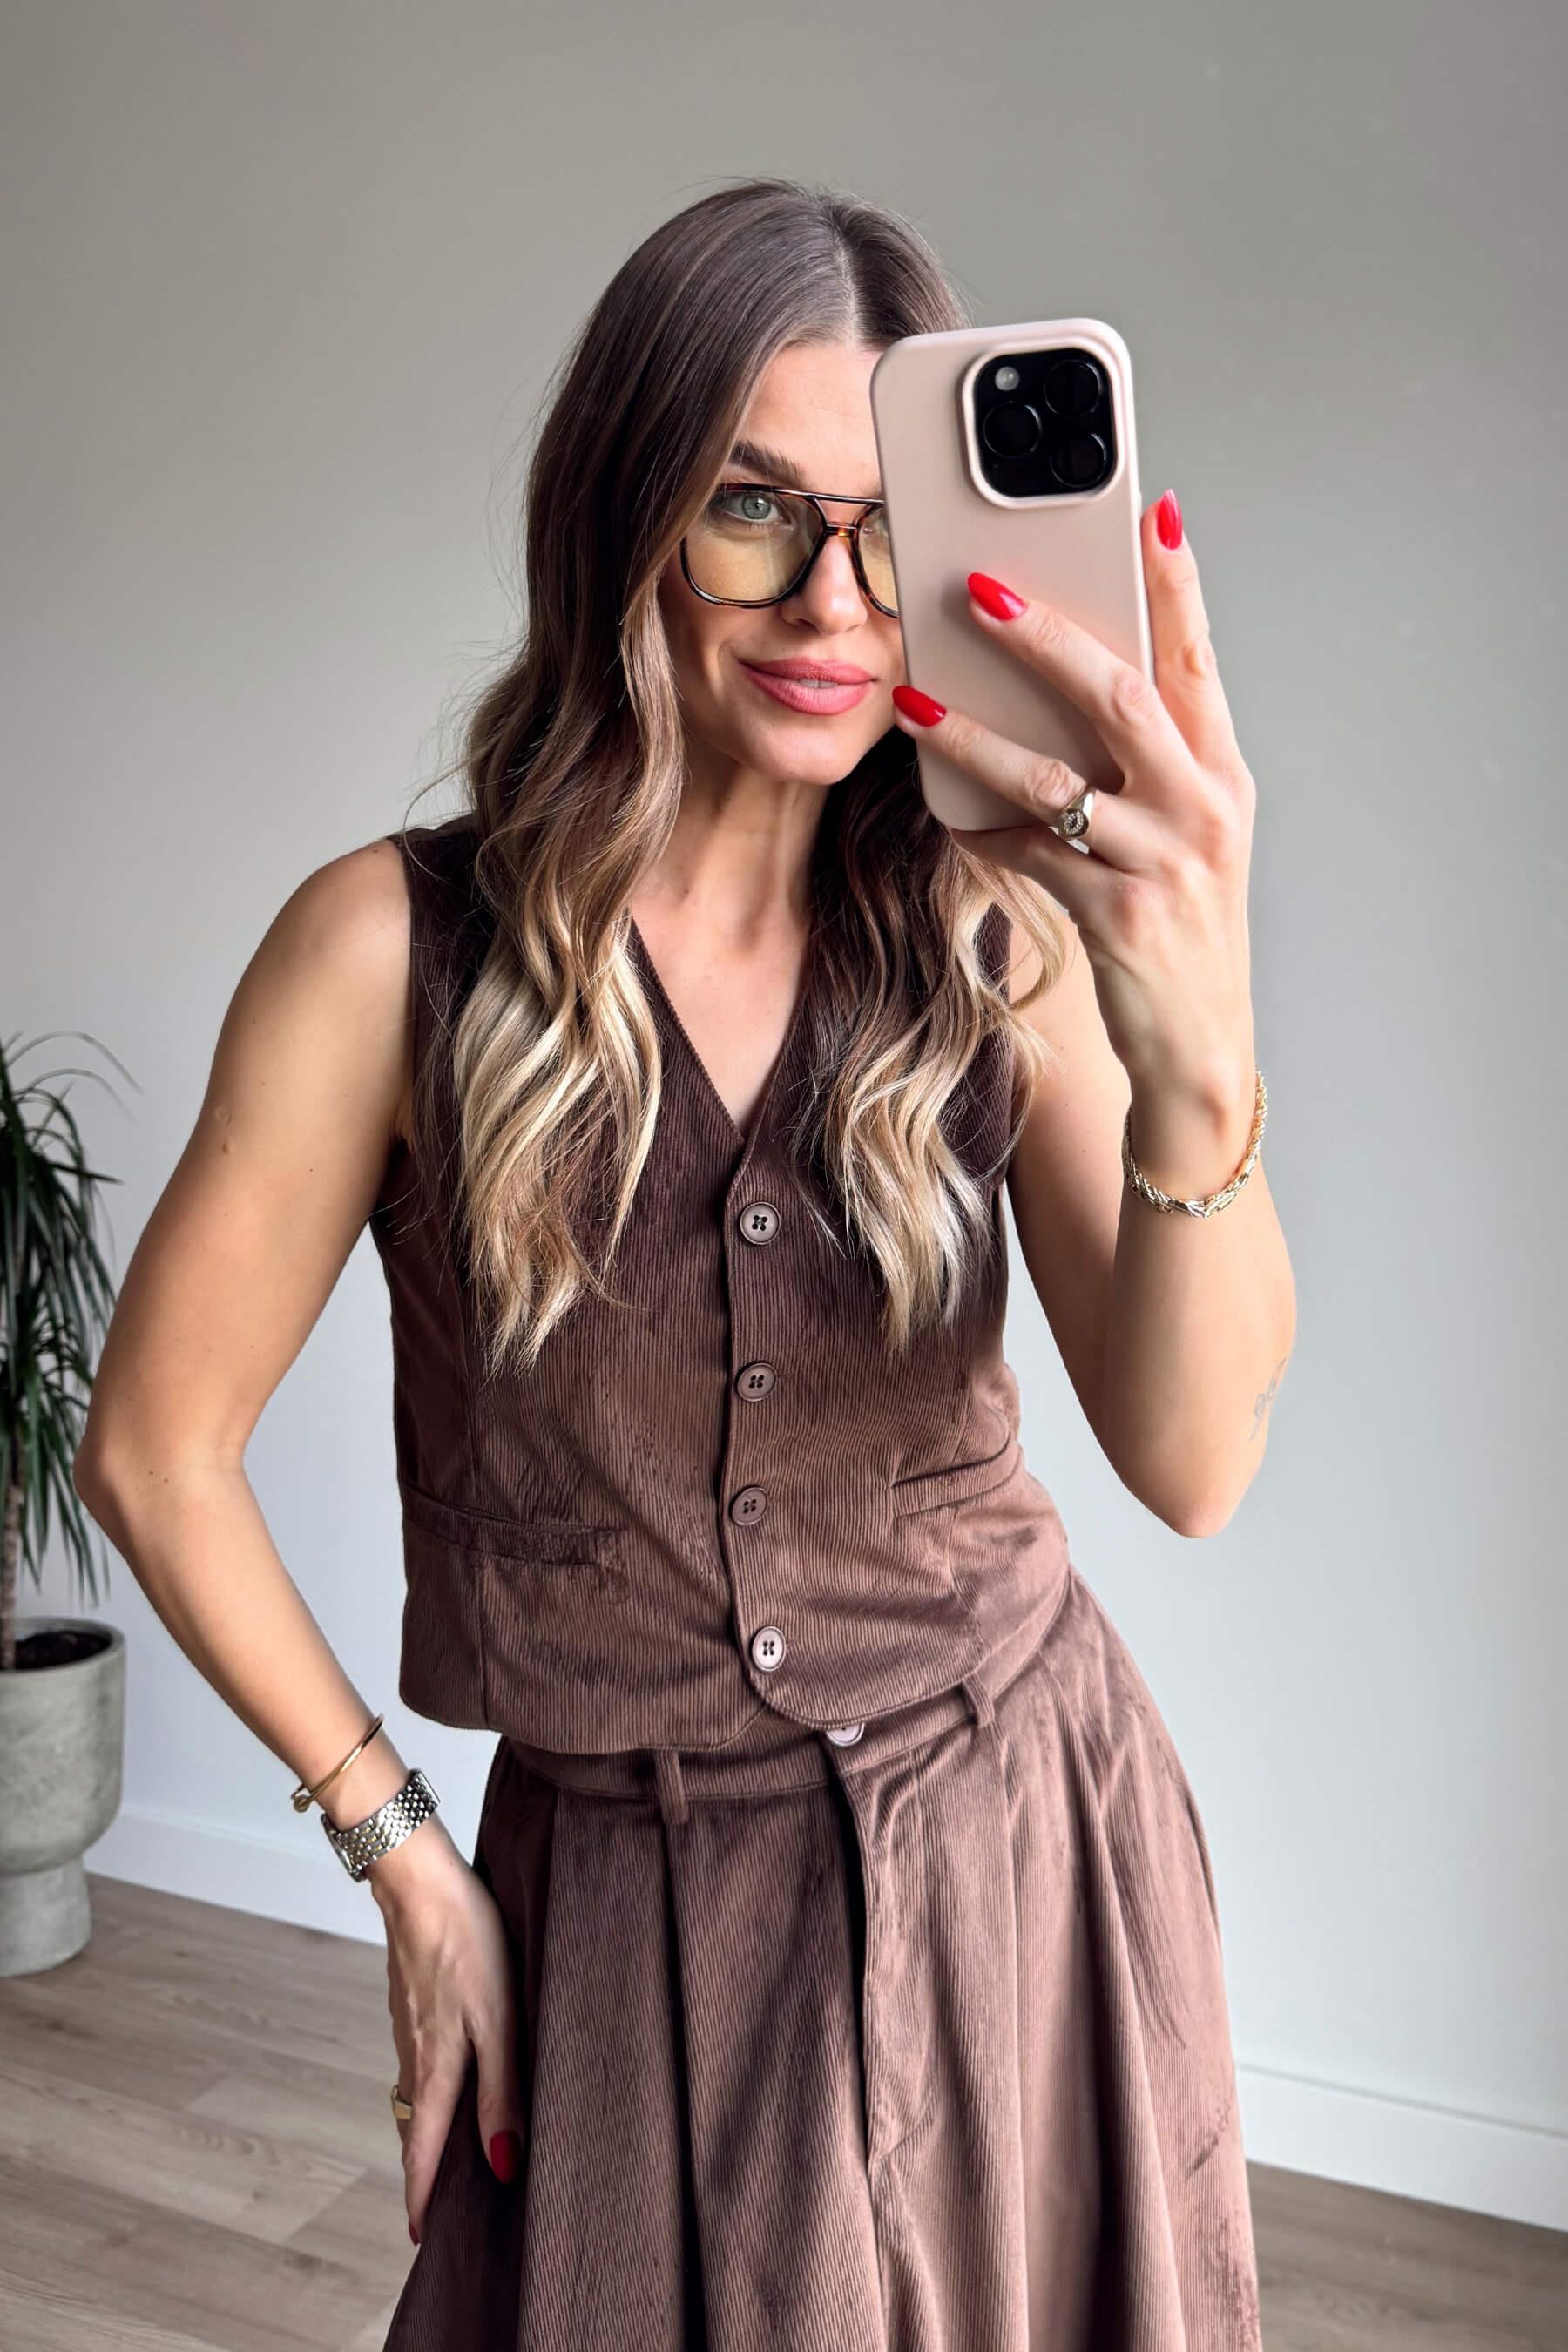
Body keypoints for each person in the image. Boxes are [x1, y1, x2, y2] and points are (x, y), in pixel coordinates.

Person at [76, 176, 1294, 2349]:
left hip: (1020, 1844)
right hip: (625, 1928)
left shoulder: (1002, 932)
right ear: (627, 513)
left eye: (888, 529)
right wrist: (397, 1855)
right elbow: (157, 1446)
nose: (832, 599)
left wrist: (1200, 1053)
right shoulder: (387, 953)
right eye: (753, 509)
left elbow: (1193, 1463)